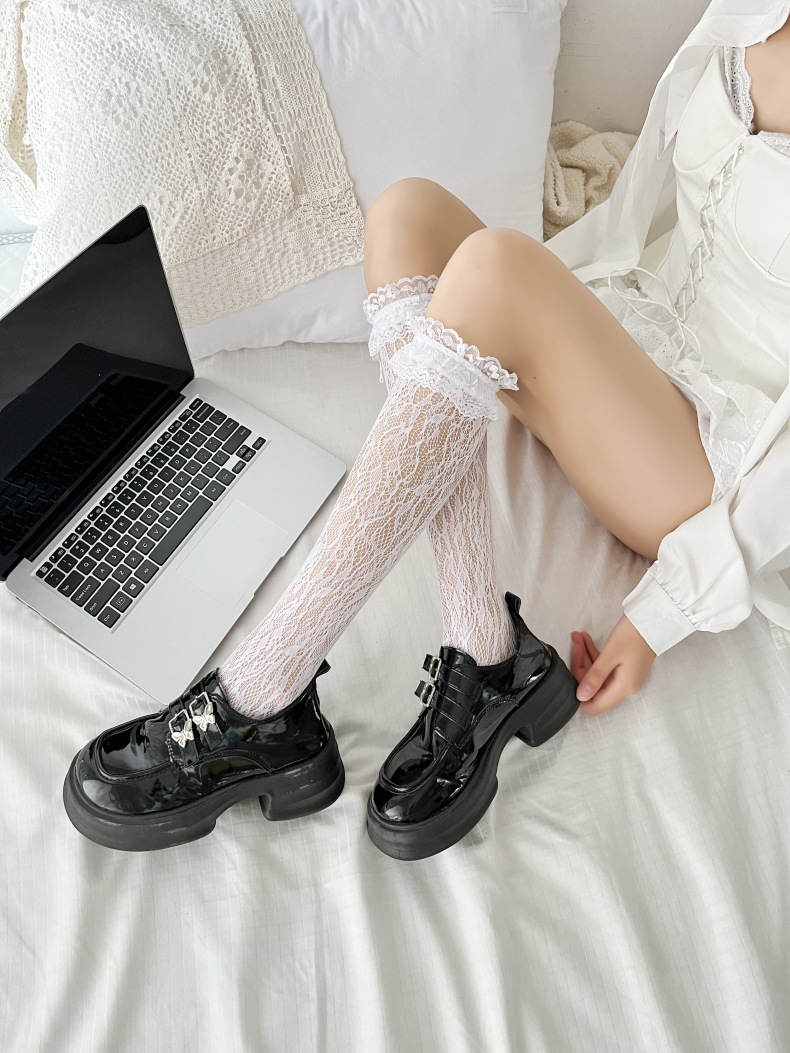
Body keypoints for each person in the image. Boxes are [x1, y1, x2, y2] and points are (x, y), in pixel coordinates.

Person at [63, 0, 790, 860]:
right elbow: (653, 216)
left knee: (493, 267)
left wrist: (663, 615)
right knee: (405, 215)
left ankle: (262, 694)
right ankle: (484, 645)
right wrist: (552, 315)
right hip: (637, 354)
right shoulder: (754, 12)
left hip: (712, 462)